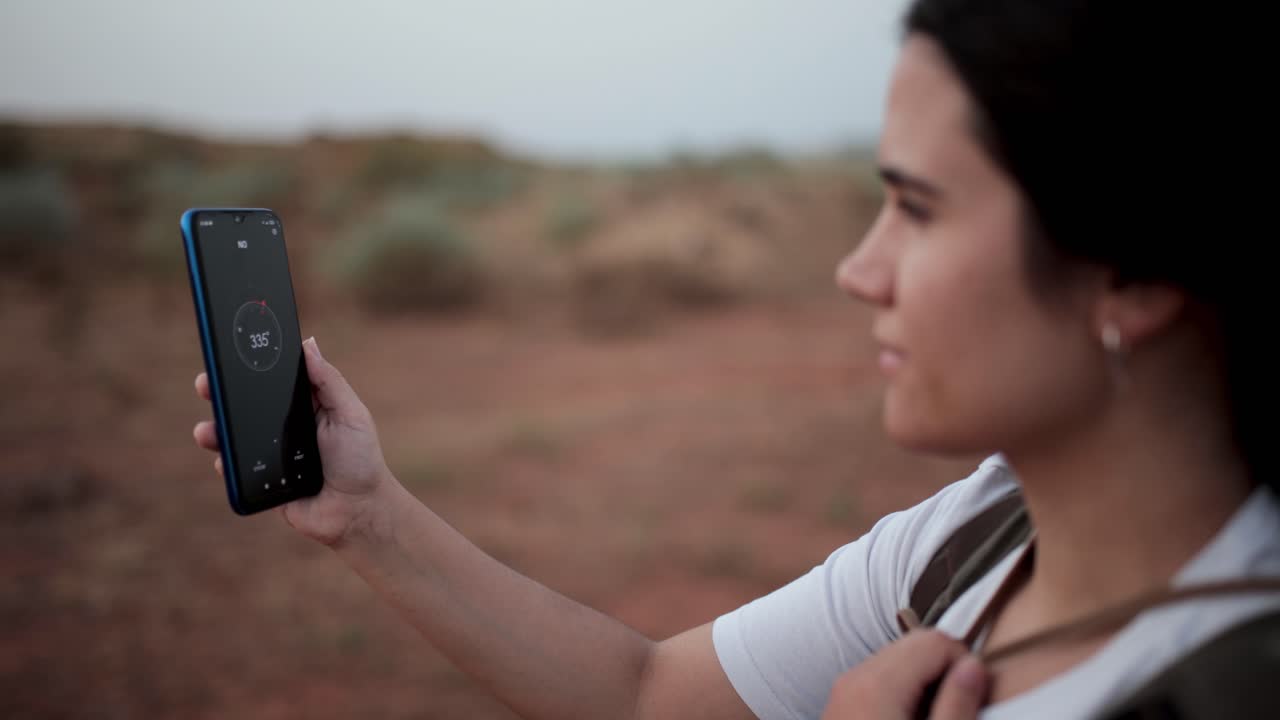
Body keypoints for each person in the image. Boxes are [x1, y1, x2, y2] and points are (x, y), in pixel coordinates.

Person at [192, 1, 1278, 717]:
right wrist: (367, 512)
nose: (858, 270)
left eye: (916, 208)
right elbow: (649, 696)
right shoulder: (983, 532)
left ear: (1133, 272)